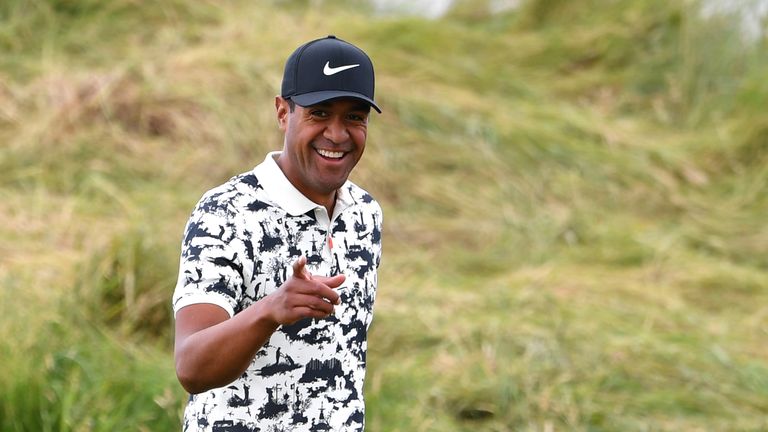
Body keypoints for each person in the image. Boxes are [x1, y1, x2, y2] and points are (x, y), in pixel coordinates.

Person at [172, 35, 383, 431]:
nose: (337, 135)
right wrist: (269, 310)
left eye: (354, 116)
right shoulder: (225, 213)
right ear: (283, 112)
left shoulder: (365, 214)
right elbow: (191, 366)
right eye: (320, 113)